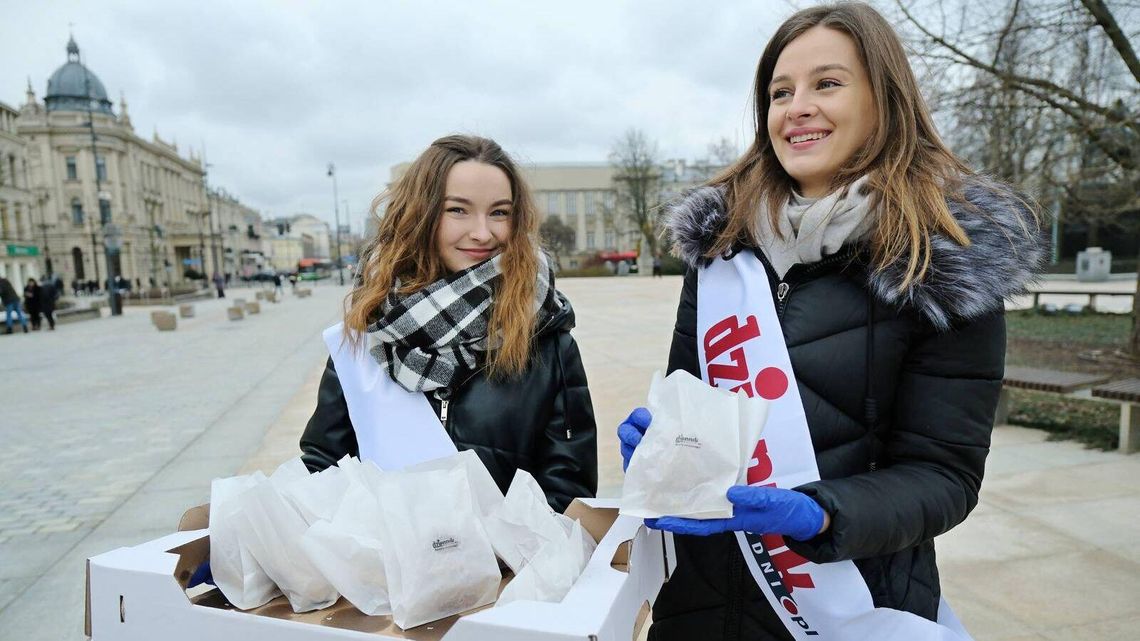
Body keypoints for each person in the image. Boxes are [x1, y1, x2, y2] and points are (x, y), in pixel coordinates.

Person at [617, 4, 1047, 640]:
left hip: (848, 603)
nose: (797, 108)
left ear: (884, 98)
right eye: (780, 92)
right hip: (700, 602)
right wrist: (666, 446)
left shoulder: (945, 262)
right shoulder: (720, 251)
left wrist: (819, 515)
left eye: (827, 83)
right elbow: (697, 409)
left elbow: (944, 476)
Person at [300, 134, 598, 512]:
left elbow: (568, 489)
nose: (483, 232)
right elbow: (323, 469)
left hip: (510, 568)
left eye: (500, 212)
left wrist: (495, 559)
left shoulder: (546, 336)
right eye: (458, 210)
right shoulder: (366, 332)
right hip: (385, 566)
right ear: (421, 214)